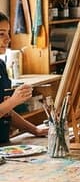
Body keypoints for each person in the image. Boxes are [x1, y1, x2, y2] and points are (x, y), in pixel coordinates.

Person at [0, 11, 47, 144]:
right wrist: (13, 101)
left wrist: (34, 130)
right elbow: (8, 105)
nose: (8, 39)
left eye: (8, 33)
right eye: (1, 34)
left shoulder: (1, 65)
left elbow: (6, 111)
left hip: (4, 144)